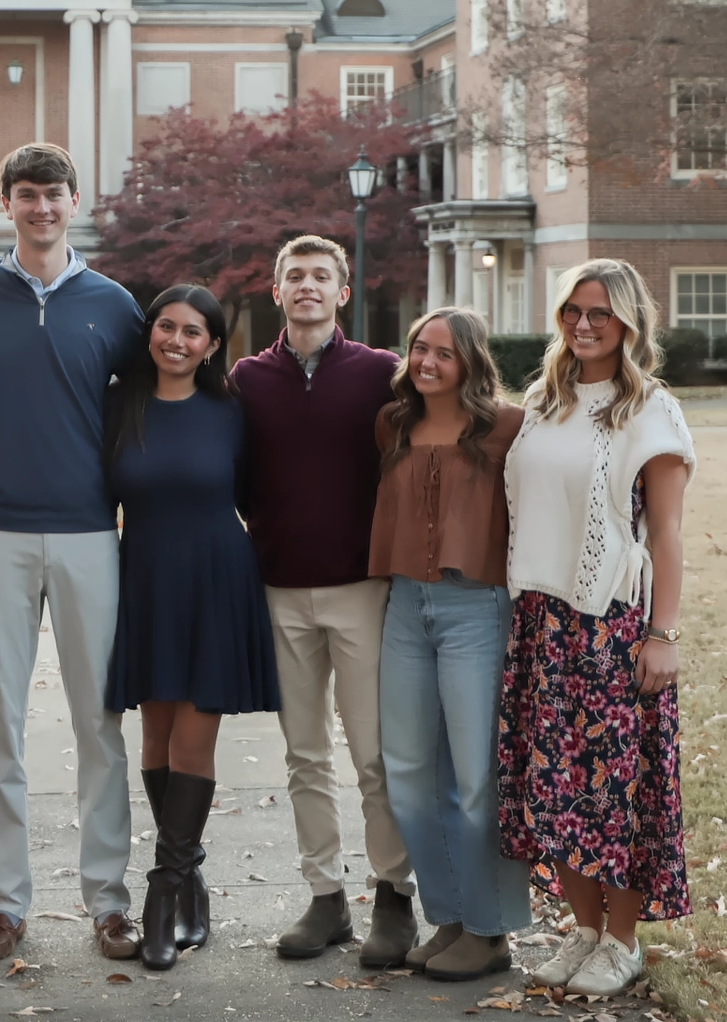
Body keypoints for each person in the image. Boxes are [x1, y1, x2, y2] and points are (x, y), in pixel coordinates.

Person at [0, 143, 146, 963]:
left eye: (53, 194)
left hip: (89, 531)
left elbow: (147, 404)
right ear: (7, 203)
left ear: (74, 201)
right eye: (26, 194)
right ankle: (6, 903)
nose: (41, 207)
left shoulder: (114, 304)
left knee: (99, 722)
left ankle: (109, 901)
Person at [499, 259, 694, 997]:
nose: (583, 325)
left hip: (611, 626)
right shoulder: (543, 400)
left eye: (600, 313)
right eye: (573, 311)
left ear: (627, 323)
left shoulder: (651, 410)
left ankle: (623, 941)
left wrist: (662, 634)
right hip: (540, 621)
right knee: (553, 785)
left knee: (615, 791)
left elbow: (667, 533)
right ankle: (583, 930)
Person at [230, 235, 417, 967]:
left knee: (374, 755)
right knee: (304, 754)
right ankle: (325, 897)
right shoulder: (249, 379)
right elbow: (238, 477)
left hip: (362, 590)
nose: (306, 286)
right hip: (279, 592)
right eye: (294, 276)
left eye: (320, 276)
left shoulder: (381, 373)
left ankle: (393, 896)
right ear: (276, 291)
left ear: (342, 292)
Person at [103, 286, 281, 971]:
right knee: (154, 736)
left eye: (193, 331)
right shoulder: (119, 404)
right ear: (149, 331)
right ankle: (190, 881)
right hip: (145, 578)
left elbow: (258, 495)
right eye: (166, 326)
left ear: (212, 344)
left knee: (193, 738)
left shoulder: (232, 409)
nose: (176, 340)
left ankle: (160, 895)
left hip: (214, 578)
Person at [368, 308, 530, 981]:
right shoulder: (393, 423)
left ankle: (491, 931)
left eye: (443, 353)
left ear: (469, 361)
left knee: (473, 777)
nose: (426, 362)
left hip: (477, 609)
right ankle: (451, 917)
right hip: (406, 606)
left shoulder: (507, 427)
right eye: (418, 349)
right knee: (407, 771)